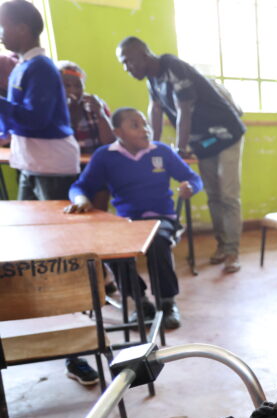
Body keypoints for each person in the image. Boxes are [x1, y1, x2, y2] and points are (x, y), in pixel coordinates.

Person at [0, 0, 94, 386]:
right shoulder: (22, 65)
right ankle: (51, 331)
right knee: (32, 252)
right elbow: (19, 119)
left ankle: (77, 349)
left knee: (60, 257)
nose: (1, 33)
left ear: (23, 28)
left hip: (52, 166)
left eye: (4, 26)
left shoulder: (40, 67)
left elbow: (37, 119)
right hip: (30, 164)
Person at [115, 36, 246, 274]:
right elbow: (155, 110)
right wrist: (151, 146)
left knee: (228, 195)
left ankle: (232, 252)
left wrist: (180, 148)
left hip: (226, 134)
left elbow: (183, 110)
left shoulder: (172, 67)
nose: (126, 68)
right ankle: (222, 245)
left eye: (128, 61)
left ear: (143, 55)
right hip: (203, 142)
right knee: (213, 195)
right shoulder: (152, 80)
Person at [66, 108, 202, 330]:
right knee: (113, 249)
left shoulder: (161, 152)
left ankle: (167, 303)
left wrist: (191, 186)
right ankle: (140, 302)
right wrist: (81, 199)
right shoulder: (105, 156)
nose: (145, 130)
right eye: (135, 125)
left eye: (145, 124)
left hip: (162, 219)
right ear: (118, 132)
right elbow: (79, 186)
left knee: (157, 242)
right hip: (127, 222)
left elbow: (193, 177)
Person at [56, 60, 114, 154]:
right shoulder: (52, 110)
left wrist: (100, 115)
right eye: (67, 85)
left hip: (95, 161)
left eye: (78, 86)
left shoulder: (95, 105)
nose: (73, 90)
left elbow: (110, 144)